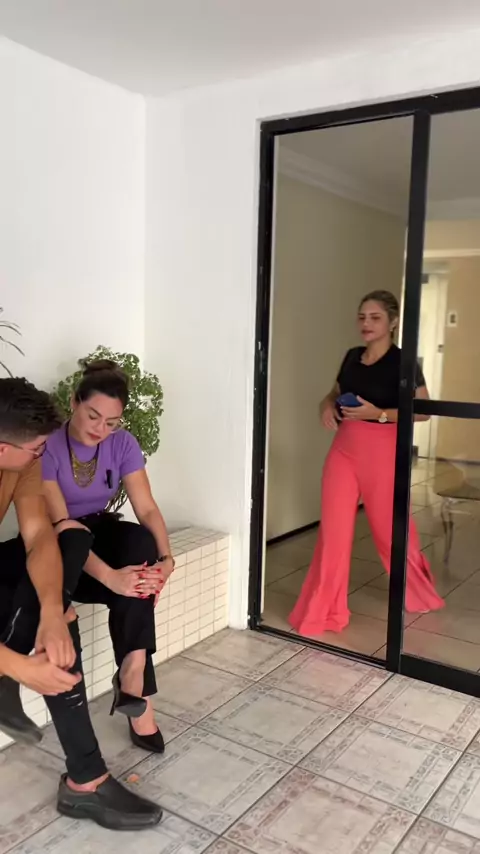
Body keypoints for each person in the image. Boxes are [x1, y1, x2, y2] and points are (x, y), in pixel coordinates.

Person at [0, 376, 162, 831]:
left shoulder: (24, 463)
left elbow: (40, 535)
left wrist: (54, 611)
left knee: (71, 537)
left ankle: (85, 779)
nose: (43, 454)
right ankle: (85, 778)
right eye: (36, 449)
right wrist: (16, 664)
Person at [289, 290, 444, 636]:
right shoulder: (351, 356)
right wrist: (325, 405)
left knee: (390, 532)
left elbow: (424, 412)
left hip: (383, 452)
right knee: (333, 533)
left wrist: (380, 414)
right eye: (362, 317)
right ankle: (325, 610)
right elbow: (334, 392)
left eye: (375, 317)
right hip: (343, 450)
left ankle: (418, 593)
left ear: (393, 321)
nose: (366, 323)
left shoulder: (404, 362)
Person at [42, 359, 174, 755]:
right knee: (127, 577)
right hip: (61, 548)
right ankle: (139, 700)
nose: (100, 429)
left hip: (99, 531)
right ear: (74, 402)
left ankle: (133, 667)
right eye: (93, 416)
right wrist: (113, 578)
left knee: (141, 545)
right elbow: (63, 526)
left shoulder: (123, 444)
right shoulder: (48, 445)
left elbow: (146, 507)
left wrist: (166, 559)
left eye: (111, 422)